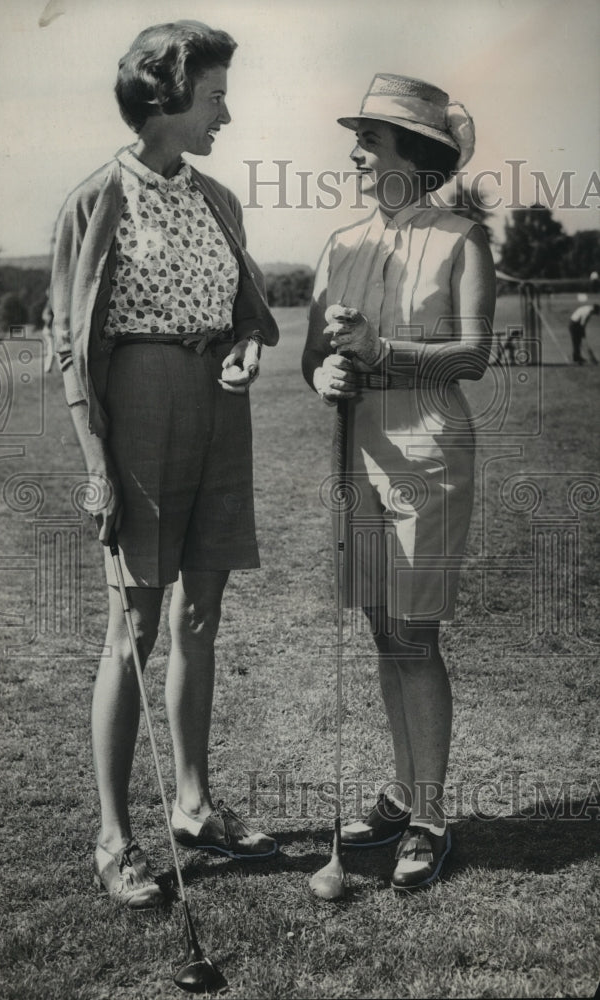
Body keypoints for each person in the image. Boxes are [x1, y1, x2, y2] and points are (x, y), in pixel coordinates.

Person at [50, 20, 279, 910]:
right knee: (134, 625)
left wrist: (245, 350)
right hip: (136, 410)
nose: (227, 111)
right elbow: (73, 346)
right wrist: (95, 461)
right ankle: (114, 838)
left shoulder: (219, 196)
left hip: (219, 410)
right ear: (168, 98)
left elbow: (243, 308)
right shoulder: (97, 198)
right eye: (216, 95)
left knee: (202, 614)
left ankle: (192, 803)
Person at [302, 74, 495, 891]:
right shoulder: (341, 242)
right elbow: (315, 355)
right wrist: (324, 378)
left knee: (416, 635)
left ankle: (429, 817)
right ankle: (402, 791)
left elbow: (474, 355)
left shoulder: (460, 240)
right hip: (360, 451)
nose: (353, 152)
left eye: (369, 140)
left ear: (412, 157)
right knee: (385, 630)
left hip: (427, 449)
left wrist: (385, 354)